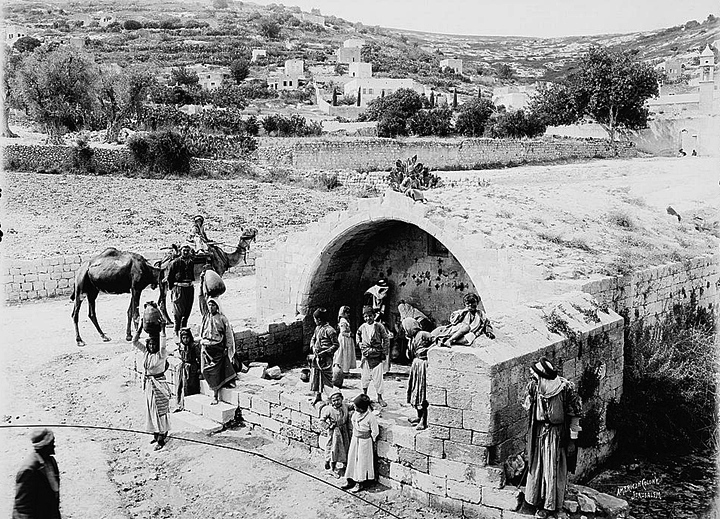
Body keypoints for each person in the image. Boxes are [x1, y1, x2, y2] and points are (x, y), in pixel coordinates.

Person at [523, 357, 583, 519]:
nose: (532, 376)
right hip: (539, 434)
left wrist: (572, 440)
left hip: (556, 435)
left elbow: (575, 416)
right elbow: (530, 407)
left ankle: (552, 505)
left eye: (534, 374)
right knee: (538, 467)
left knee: (553, 469)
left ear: (543, 376)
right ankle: (536, 501)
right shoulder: (534, 387)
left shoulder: (565, 389)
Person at [132, 321, 171, 450]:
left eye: (154, 343)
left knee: (160, 410)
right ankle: (156, 434)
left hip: (159, 384)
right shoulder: (147, 353)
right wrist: (141, 326)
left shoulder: (161, 355)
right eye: (150, 343)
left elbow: (164, 344)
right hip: (149, 385)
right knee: (151, 409)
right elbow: (135, 342)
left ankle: (161, 438)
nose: (152, 345)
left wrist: (163, 330)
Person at [13, 429, 61, 519]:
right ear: (44, 446)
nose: (54, 445)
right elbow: (22, 509)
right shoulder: (28, 470)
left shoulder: (51, 462)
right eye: (52, 442)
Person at [200, 297, 237, 405]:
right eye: (209, 305)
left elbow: (228, 335)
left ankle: (215, 395)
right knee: (204, 370)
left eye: (213, 305)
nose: (211, 307)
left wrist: (227, 347)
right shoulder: (206, 317)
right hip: (207, 349)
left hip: (218, 348)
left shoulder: (222, 319)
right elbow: (202, 332)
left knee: (213, 372)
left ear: (217, 306)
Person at [342, 393, 379, 493]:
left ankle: (360, 482)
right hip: (355, 440)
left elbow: (375, 431)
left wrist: (371, 440)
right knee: (352, 459)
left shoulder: (370, 417)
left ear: (362, 408)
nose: (354, 408)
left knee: (362, 462)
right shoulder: (355, 414)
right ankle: (350, 480)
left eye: (355, 407)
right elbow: (353, 423)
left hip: (365, 443)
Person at [402, 317, 433, 430]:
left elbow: (436, 340)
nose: (405, 331)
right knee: (415, 391)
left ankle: (424, 421)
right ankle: (418, 416)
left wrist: (427, 350)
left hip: (423, 366)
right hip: (416, 366)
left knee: (422, 392)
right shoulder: (411, 338)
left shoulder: (423, 334)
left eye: (406, 328)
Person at [356, 306, 389, 407]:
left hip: (376, 355)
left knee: (378, 379)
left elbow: (386, 338)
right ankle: (364, 395)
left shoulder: (379, 326)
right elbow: (357, 334)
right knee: (365, 377)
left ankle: (379, 397)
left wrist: (384, 352)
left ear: (374, 316)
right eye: (365, 316)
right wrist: (359, 343)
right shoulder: (363, 327)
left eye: (370, 316)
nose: (368, 318)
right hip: (366, 356)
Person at [310, 307, 340, 405]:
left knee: (327, 379)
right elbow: (313, 339)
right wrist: (313, 348)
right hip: (317, 358)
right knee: (316, 377)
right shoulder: (317, 328)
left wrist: (326, 352)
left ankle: (331, 399)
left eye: (315, 319)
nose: (314, 321)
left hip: (326, 359)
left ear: (319, 319)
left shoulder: (330, 331)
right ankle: (318, 396)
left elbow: (336, 345)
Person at [319, 390, 352, 478]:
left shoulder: (345, 406)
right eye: (334, 400)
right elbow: (321, 421)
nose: (336, 402)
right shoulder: (329, 410)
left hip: (344, 430)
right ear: (331, 401)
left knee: (345, 446)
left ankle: (345, 465)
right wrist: (329, 426)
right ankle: (332, 467)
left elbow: (352, 406)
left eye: (338, 399)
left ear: (342, 399)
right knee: (334, 448)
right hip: (335, 432)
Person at [166, 244, 196, 338]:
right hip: (179, 289)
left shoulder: (191, 262)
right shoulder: (175, 263)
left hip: (189, 288)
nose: (186, 252)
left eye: (187, 250)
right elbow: (169, 278)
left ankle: (184, 331)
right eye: (184, 250)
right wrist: (174, 289)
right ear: (180, 251)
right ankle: (176, 330)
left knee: (187, 310)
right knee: (178, 312)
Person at [173, 327, 201, 412]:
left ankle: (188, 405)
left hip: (191, 368)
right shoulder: (181, 346)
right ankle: (179, 404)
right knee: (179, 386)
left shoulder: (194, 346)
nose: (185, 340)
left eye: (187, 337)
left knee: (189, 386)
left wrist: (200, 369)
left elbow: (199, 358)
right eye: (183, 338)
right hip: (183, 367)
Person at [335, 306, 357, 376]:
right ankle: (344, 370)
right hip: (344, 340)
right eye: (347, 313)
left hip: (347, 340)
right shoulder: (343, 321)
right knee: (344, 353)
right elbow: (343, 332)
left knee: (346, 354)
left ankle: (345, 369)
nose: (348, 314)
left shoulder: (345, 320)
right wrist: (349, 334)